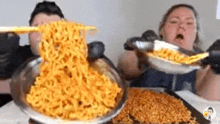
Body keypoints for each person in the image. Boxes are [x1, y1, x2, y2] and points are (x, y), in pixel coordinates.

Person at [0, 1, 113, 93]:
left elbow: (111, 82)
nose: (45, 36)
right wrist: (3, 60)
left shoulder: (78, 55)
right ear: (29, 35)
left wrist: (98, 61)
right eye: (38, 28)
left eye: (55, 29)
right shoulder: (17, 55)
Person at [118, 3, 220, 100]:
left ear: (196, 35)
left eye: (189, 23)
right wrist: (141, 54)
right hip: (139, 111)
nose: (182, 26)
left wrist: (216, 68)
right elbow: (125, 70)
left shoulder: (201, 60)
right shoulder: (149, 48)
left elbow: (208, 96)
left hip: (183, 115)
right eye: (174, 21)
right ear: (162, 30)